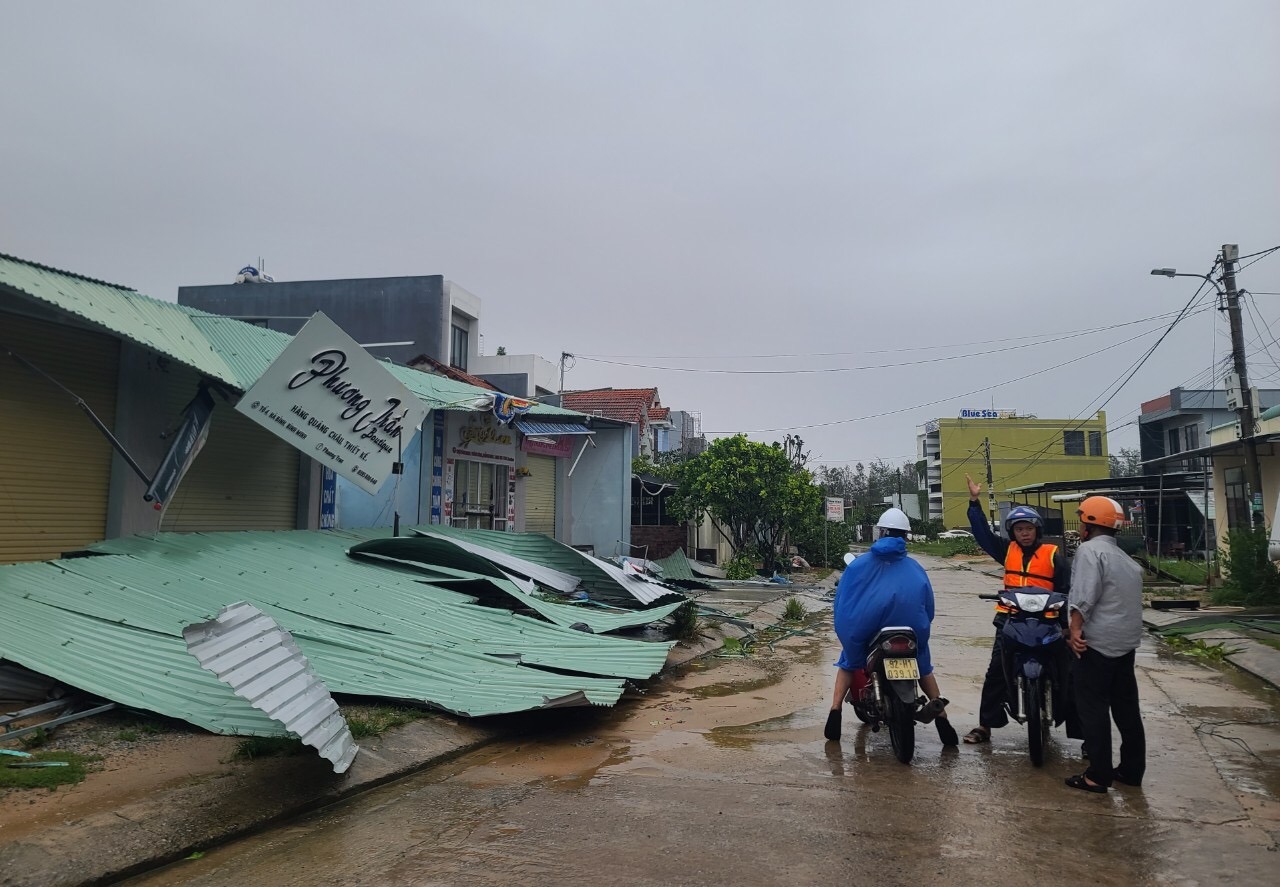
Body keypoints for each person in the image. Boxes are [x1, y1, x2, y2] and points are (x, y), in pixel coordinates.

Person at [824, 507, 959, 747]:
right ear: (905, 536)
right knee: (922, 663)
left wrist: (850, 632)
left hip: (867, 630)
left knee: (849, 660)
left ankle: (835, 712)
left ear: (881, 532)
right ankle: (943, 721)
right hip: (910, 630)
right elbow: (929, 608)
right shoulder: (915, 568)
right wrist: (922, 627)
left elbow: (842, 606)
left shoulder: (857, 566)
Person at [962, 475, 1070, 744]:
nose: (1024, 533)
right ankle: (986, 725)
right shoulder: (1006, 550)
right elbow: (983, 536)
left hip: (1048, 621)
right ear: (1013, 532)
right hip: (1011, 619)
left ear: (1037, 530)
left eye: (1029, 528)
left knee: (1070, 670)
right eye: (1019, 529)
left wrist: (1068, 625)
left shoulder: (1053, 554)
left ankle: (1085, 736)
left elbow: (1068, 590)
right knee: (996, 669)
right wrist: (974, 502)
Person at [1064, 495, 1146, 793]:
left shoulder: (1089, 552)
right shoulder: (1126, 561)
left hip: (1096, 646)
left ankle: (1097, 776)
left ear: (1088, 524)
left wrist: (1074, 630)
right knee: (1127, 711)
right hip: (1125, 646)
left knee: (1093, 710)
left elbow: (1084, 595)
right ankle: (1132, 770)